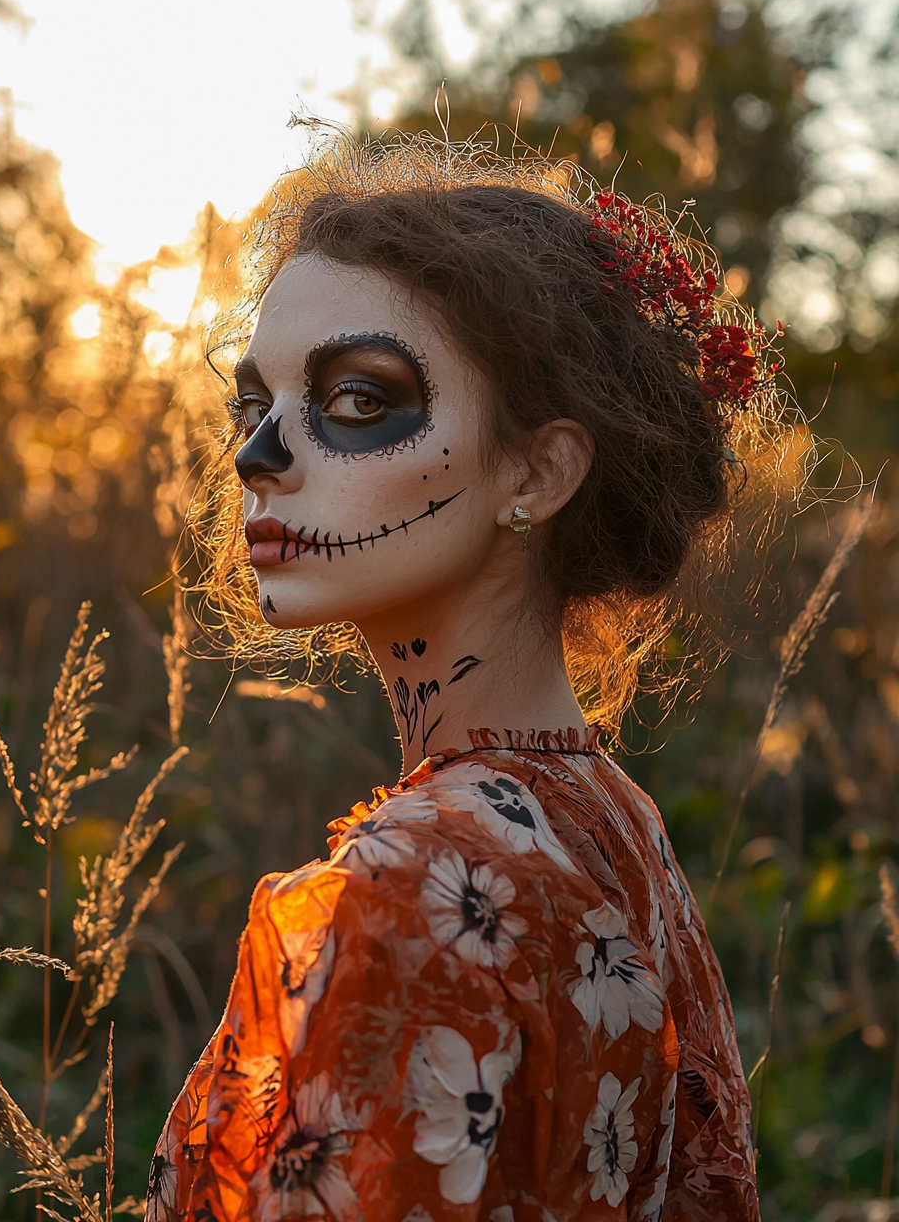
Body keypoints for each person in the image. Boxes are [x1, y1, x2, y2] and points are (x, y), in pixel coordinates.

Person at [148, 129, 784, 1222]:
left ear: (538, 470)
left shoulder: (416, 889)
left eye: (355, 401)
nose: (258, 456)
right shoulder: (613, 823)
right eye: (254, 406)